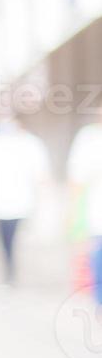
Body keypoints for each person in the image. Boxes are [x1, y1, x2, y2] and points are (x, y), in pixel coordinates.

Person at [0, 113, 51, 286]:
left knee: (13, 233)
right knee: (3, 236)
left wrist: (45, 196)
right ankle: (9, 266)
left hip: (22, 200)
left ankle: (11, 266)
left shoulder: (31, 144)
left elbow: (42, 173)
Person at [65, 114, 102, 312]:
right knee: (98, 259)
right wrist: (73, 211)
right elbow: (76, 178)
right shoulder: (89, 139)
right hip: (96, 213)